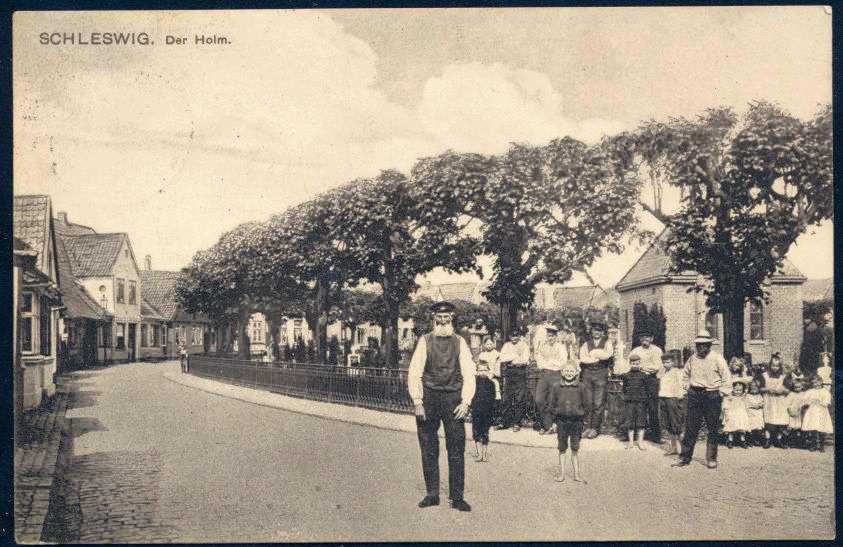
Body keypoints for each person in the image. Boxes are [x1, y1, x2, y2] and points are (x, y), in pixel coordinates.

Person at [407, 301, 476, 512]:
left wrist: (466, 402)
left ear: (452, 318)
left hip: (453, 400)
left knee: (456, 447)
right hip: (429, 398)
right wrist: (418, 402)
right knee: (428, 447)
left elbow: (469, 372)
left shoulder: (460, 342)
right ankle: (432, 494)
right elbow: (414, 372)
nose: (443, 320)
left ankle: (457, 497)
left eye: (447, 317)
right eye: (439, 316)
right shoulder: (424, 341)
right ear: (434, 318)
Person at [672, 331, 731, 469]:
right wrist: (686, 386)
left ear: (709, 345)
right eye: (698, 345)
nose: (701, 348)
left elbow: (726, 378)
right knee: (691, 428)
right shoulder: (692, 359)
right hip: (694, 395)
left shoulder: (717, 358)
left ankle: (711, 458)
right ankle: (685, 457)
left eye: (704, 345)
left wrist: (722, 393)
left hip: (712, 395)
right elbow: (685, 374)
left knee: (712, 429)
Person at [547, 361, 588, 483]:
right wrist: (554, 422)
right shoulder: (556, 387)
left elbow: (587, 405)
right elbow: (551, 405)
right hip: (561, 422)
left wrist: (583, 419)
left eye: (571, 371)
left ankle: (576, 474)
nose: (569, 373)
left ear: (576, 373)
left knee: (575, 448)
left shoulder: (581, 387)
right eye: (566, 371)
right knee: (562, 448)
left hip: (577, 422)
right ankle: (562, 474)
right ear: (562, 372)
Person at [578, 322, 614, 439]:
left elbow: (607, 355)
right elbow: (582, 358)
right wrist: (596, 358)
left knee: (598, 402)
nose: (596, 333)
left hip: (601, 373)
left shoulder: (607, 343)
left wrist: (593, 355)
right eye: (594, 330)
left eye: (599, 331)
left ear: (602, 332)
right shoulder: (585, 344)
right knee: (587, 402)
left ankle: (595, 428)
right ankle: (587, 427)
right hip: (587, 373)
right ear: (591, 332)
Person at [628, 330, 664, 443]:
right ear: (640, 339)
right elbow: (631, 364)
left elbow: (657, 367)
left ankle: (655, 435)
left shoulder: (657, 350)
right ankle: (636, 435)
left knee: (653, 407)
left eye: (647, 337)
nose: (645, 339)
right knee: (639, 407)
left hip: (652, 380)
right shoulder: (636, 350)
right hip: (639, 381)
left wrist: (642, 366)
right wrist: (645, 368)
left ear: (651, 338)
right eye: (642, 337)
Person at [533, 323, 569, 435]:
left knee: (552, 400)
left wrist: (550, 362)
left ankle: (550, 425)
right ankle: (548, 424)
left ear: (556, 336)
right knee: (539, 399)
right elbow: (539, 361)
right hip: (544, 375)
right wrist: (550, 362)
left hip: (556, 375)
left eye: (553, 336)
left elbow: (562, 363)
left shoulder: (561, 347)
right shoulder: (543, 346)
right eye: (549, 336)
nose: (550, 338)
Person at [497, 326, 531, 432]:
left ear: (519, 336)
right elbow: (502, 358)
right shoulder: (507, 345)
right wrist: (515, 356)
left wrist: (512, 359)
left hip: (520, 372)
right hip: (509, 372)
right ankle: (505, 421)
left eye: (516, 336)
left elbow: (525, 360)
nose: (514, 338)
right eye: (512, 336)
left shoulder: (524, 345)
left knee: (519, 397)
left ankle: (517, 422)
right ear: (509, 336)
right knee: (506, 397)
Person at [471, 346, 497, 463]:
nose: (482, 372)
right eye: (480, 370)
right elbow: (471, 396)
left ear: (488, 371)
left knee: (485, 433)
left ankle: (484, 454)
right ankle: (478, 452)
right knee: (476, 432)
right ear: (476, 371)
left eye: (484, 370)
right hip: (476, 411)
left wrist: (493, 411)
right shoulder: (473, 383)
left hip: (487, 412)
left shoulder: (491, 384)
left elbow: (493, 398)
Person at [659, 352, 687, 456]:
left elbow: (681, 385)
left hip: (673, 399)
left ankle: (683, 449)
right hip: (664, 398)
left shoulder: (677, 372)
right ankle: (673, 447)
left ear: (673, 362)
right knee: (669, 424)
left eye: (668, 362)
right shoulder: (663, 373)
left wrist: (679, 396)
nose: (666, 364)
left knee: (676, 424)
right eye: (664, 362)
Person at [761, 354, 790, 449]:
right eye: (773, 365)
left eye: (777, 366)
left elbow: (788, 390)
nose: (775, 368)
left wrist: (783, 390)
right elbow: (759, 388)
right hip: (769, 400)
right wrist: (767, 389)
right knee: (769, 420)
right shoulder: (764, 375)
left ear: (780, 366)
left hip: (780, 401)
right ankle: (767, 439)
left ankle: (779, 439)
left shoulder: (783, 376)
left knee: (780, 419)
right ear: (770, 365)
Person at [621, 354, 649, 450]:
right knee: (630, 422)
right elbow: (624, 388)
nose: (635, 365)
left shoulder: (644, 376)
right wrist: (627, 397)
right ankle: (631, 442)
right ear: (630, 364)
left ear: (640, 364)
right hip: (630, 402)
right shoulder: (626, 376)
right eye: (633, 363)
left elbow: (647, 389)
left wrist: (644, 399)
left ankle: (640, 442)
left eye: (637, 363)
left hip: (641, 402)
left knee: (641, 422)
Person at [801, 375, 832, 452]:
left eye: (817, 382)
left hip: (822, 411)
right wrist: (808, 402)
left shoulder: (825, 391)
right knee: (813, 427)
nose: (816, 384)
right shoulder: (810, 391)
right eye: (814, 383)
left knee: (821, 428)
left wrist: (821, 401)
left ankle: (821, 445)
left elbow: (827, 402)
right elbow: (804, 400)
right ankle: (814, 444)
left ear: (821, 382)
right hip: (813, 411)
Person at [722, 381, 751, 449]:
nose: (738, 392)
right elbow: (726, 406)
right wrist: (726, 414)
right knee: (731, 429)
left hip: (741, 415)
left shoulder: (743, 397)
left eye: (740, 390)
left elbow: (747, 387)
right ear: (733, 389)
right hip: (732, 414)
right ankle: (730, 441)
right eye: (736, 390)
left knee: (742, 429)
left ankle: (742, 441)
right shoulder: (730, 397)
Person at [785, 378, 807, 449]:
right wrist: (790, 411)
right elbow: (787, 404)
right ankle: (790, 442)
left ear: (802, 387)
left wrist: (801, 409)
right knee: (791, 427)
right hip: (792, 411)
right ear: (793, 387)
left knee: (799, 428)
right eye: (795, 387)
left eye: (799, 387)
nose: (797, 389)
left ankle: (799, 443)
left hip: (800, 412)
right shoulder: (791, 394)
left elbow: (805, 403)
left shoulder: (803, 394)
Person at [745, 380, 766, 446]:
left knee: (758, 427)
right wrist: (753, 406)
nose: (754, 388)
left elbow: (763, 402)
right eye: (752, 386)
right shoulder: (747, 396)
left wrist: (760, 405)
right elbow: (746, 404)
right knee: (751, 427)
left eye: (756, 387)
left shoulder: (759, 396)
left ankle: (757, 440)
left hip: (758, 413)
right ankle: (750, 440)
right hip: (751, 412)